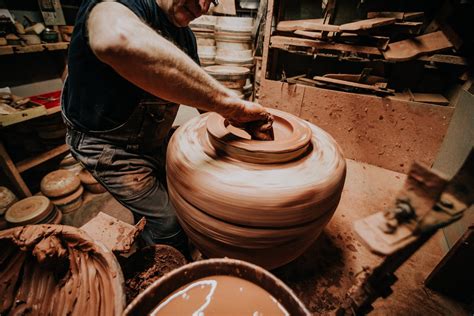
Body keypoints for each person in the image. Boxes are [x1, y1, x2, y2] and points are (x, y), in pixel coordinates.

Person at [61, 0, 271, 251]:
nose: (203, 7)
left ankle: (147, 228)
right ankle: (163, 275)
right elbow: (116, 39)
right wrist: (232, 104)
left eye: (212, 0)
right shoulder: (124, 4)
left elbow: (205, 103)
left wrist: (239, 127)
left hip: (150, 139)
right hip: (106, 144)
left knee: (189, 194)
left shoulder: (185, 37)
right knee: (170, 225)